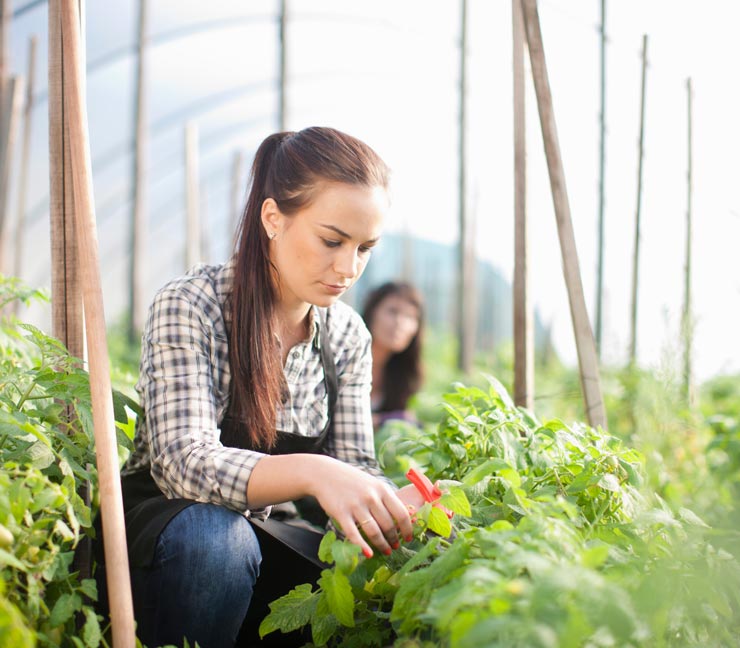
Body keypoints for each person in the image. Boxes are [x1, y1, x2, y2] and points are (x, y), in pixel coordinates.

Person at [101, 127, 424, 648]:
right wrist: (314, 471)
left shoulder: (346, 336)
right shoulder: (194, 305)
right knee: (217, 541)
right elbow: (184, 463)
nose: (348, 268)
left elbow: (354, 464)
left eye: (365, 247)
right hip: (175, 541)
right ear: (273, 218)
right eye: (331, 240)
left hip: (274, 537)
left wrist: (391, 502)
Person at [361, 281, 424, 428]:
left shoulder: (404, 375)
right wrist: (385, 421)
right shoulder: (343, 358)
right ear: (371, 313)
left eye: (410, 316)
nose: (399, 323)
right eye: (392, 311)